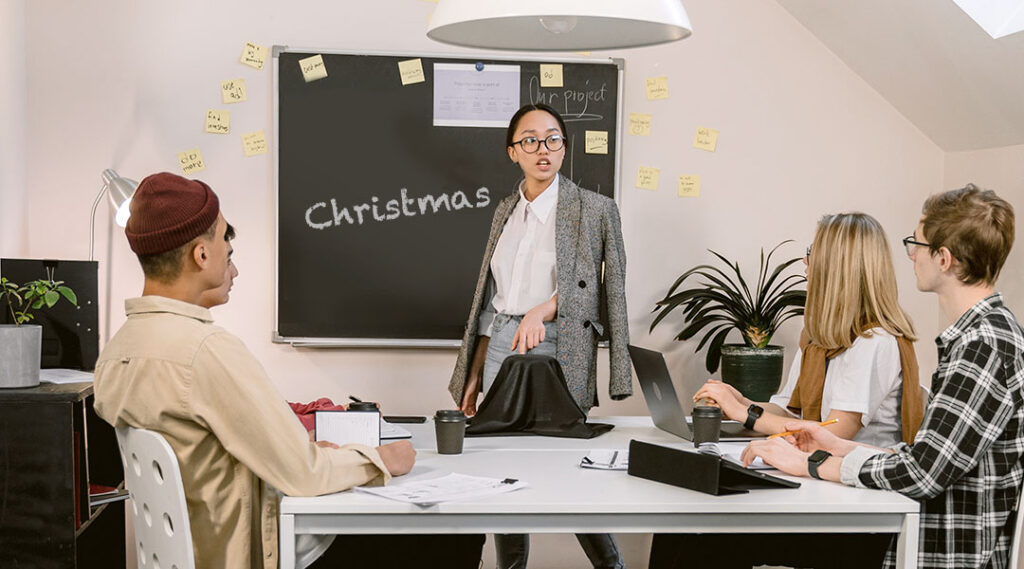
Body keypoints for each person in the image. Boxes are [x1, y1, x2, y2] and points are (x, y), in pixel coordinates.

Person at [93, 172, 483, 569]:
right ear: (201, 254)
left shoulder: (115, 352)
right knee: (455, 533)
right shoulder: (206, 351)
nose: (231, 256)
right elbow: (304, 475)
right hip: (254, 555)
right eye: (224, 238)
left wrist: (313, 453)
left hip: (188, 554)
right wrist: (380, 459)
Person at [742, 184, 1023, 569]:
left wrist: (813, 464)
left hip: (937, 550)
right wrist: (834, 445)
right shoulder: (978, 338)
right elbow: (928, 457)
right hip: (920, 533)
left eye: (916, 244)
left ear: (943, 258)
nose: (910, 256)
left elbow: (923, 474)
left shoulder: (982, 347)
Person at [651, 212, 924, 569]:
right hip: (820, 492)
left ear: (834, 266)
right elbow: (789, 411)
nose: (805, 263)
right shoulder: (820, 337)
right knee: (678, 524)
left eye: (812, 253)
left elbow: (831, 433)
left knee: (706, 536)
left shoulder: (875, 342)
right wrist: (738, 399)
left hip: (860, 514)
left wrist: (747, 414)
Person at [447, 103, 631, 569]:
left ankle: (612, 565)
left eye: (552, 139)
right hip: (501, 344)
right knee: (503, 472)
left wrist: (544, 309)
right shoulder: (504, 210)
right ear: (513, 152)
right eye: (529, 140)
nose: (542, 149)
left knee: (568, 468)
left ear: (564, 148)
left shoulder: (594, 209)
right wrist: (473, 373)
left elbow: (605, 290)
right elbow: (494, 298)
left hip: (560, 342)